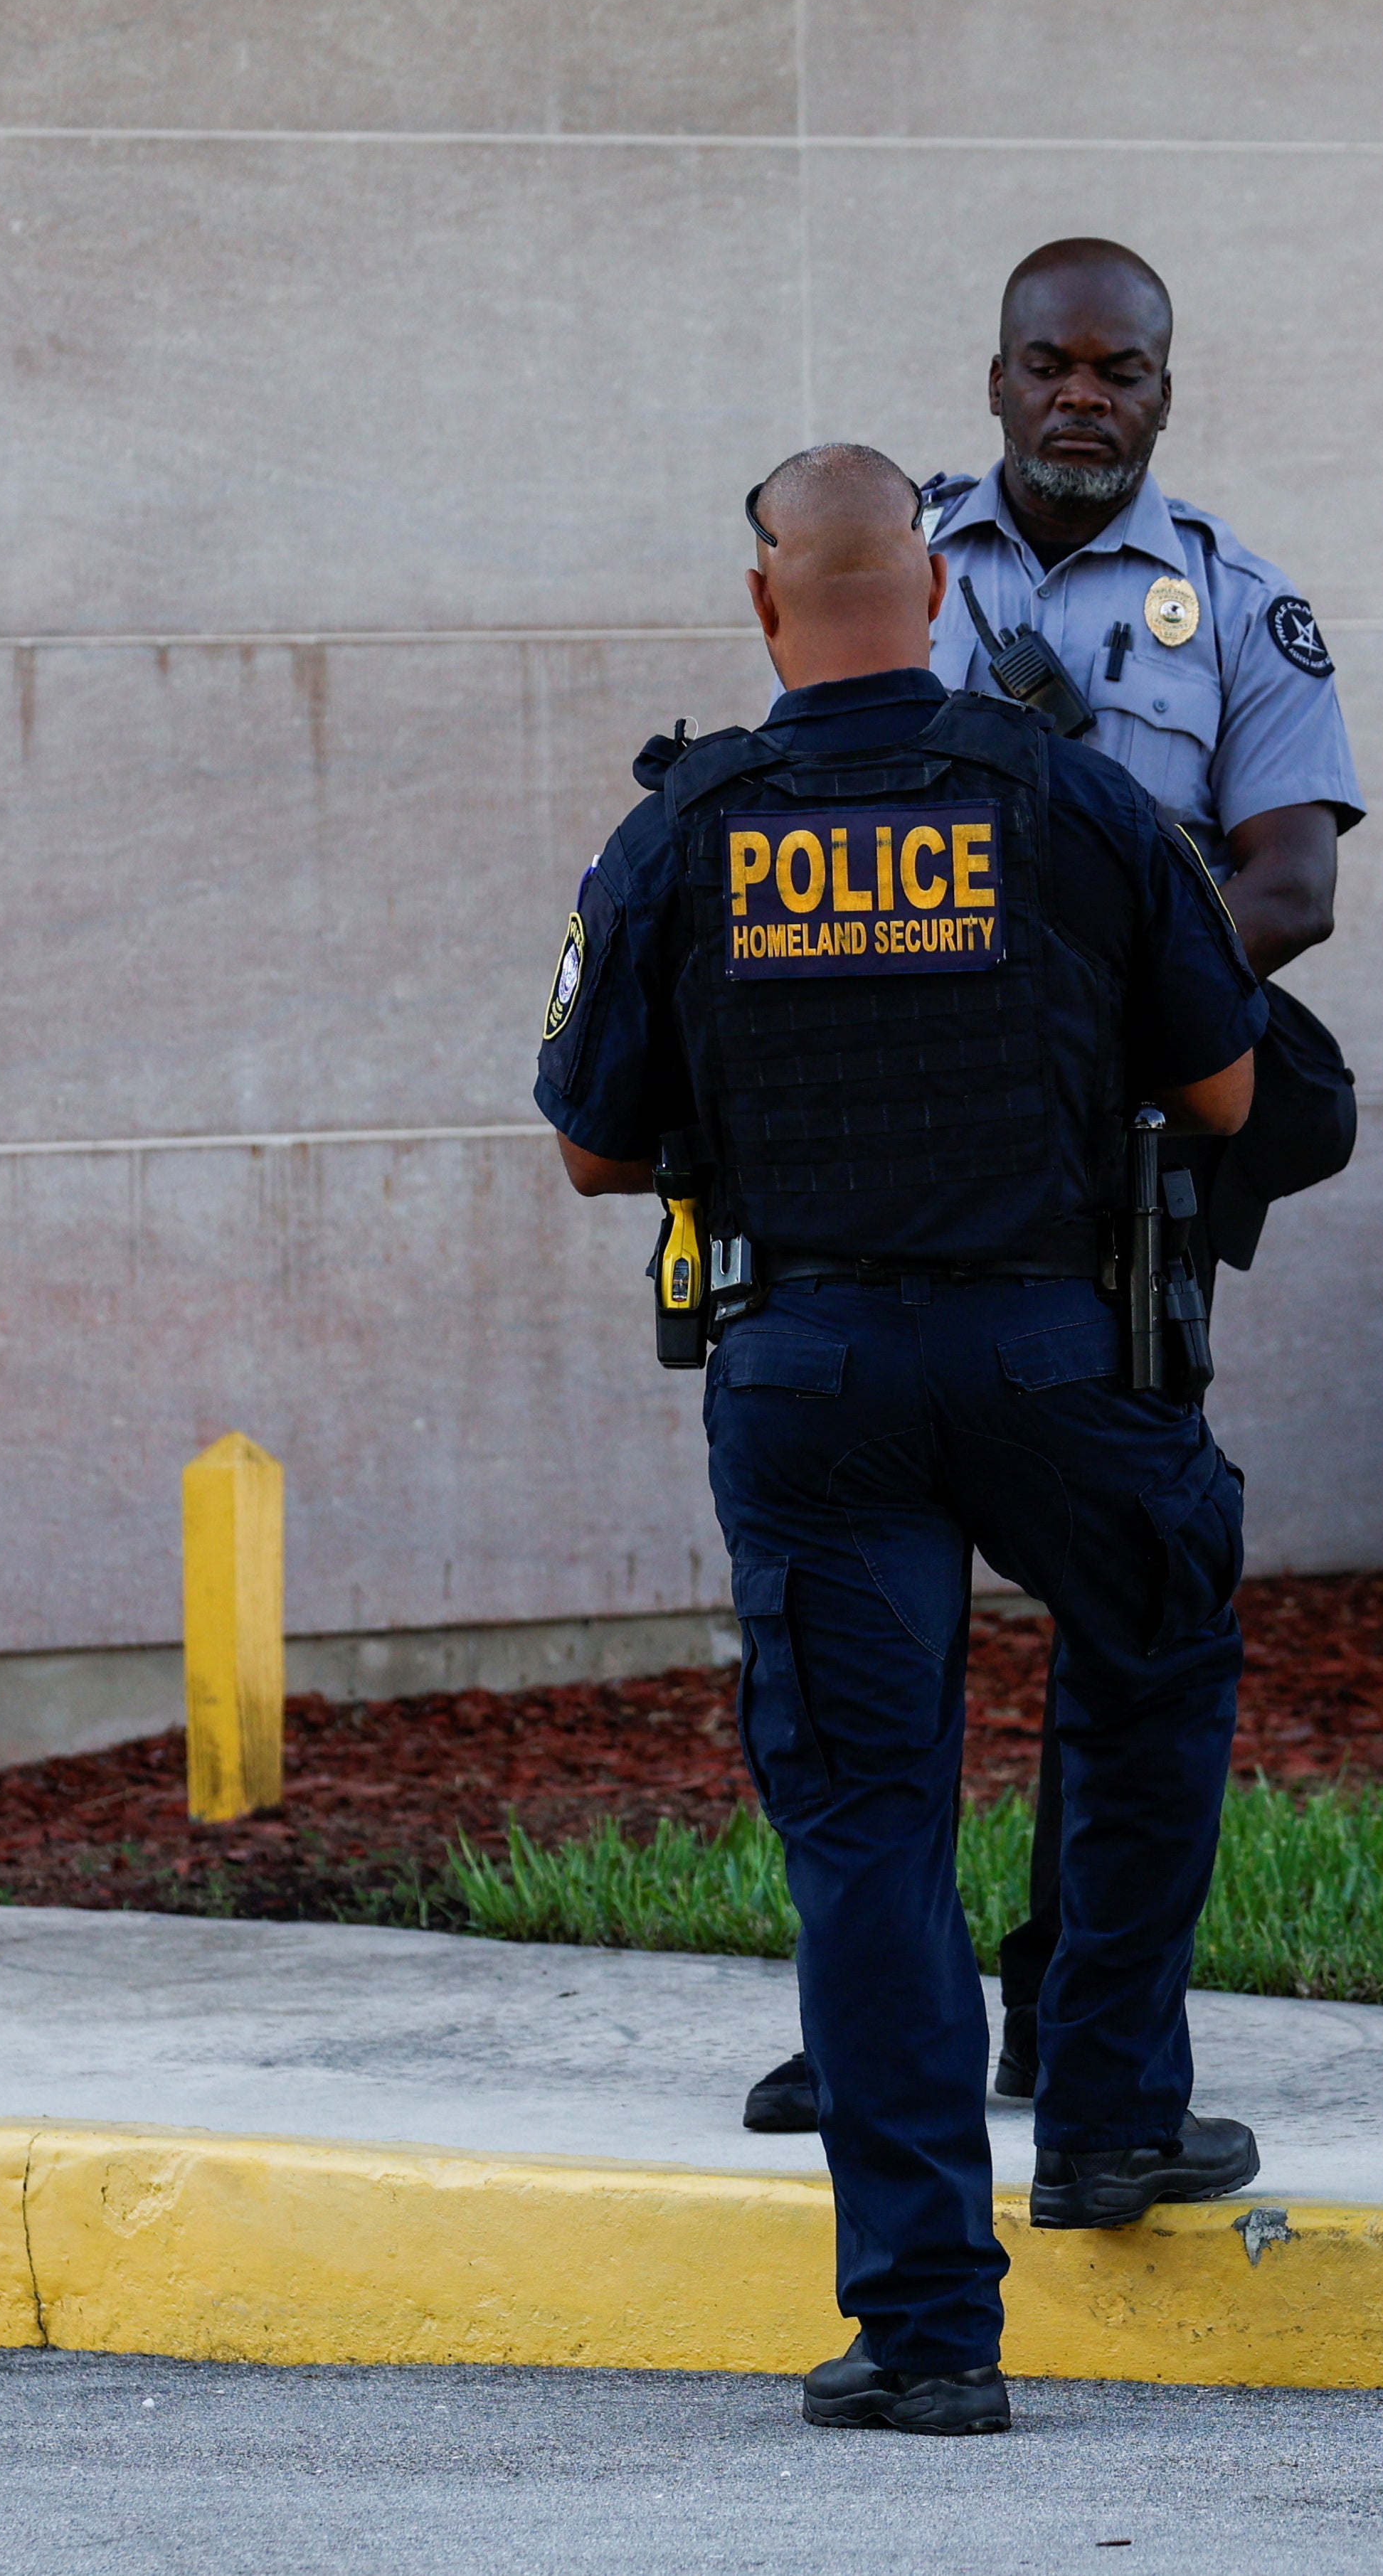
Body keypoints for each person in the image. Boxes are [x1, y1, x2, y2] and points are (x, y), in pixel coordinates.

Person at [536, 443, 1270, 2434]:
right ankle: (1111, 2106)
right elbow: (1222, 1088)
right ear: (932, 597)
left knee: (868, 1824)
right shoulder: (1072, 797)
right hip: (1056, 1358)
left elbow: (597, 1139)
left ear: (768, 610)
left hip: (817, 1374)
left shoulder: (690, 823)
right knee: (1152, 1641)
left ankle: (932, 2328)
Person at [746, 237, 1363, 2136]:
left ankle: (1071, 2006)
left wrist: (1089, 1006)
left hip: (1115, 1167)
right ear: (995, 377)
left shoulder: (1238, 608)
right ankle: (881, 2010)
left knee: (1127, 1607)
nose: (1082, 394)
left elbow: (1292, 886)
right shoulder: (890, 563)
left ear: (1164, 388)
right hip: (899, 1150)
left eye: (1120, 369)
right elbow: (799, 808)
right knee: (874, 1619)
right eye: (1048, 364)